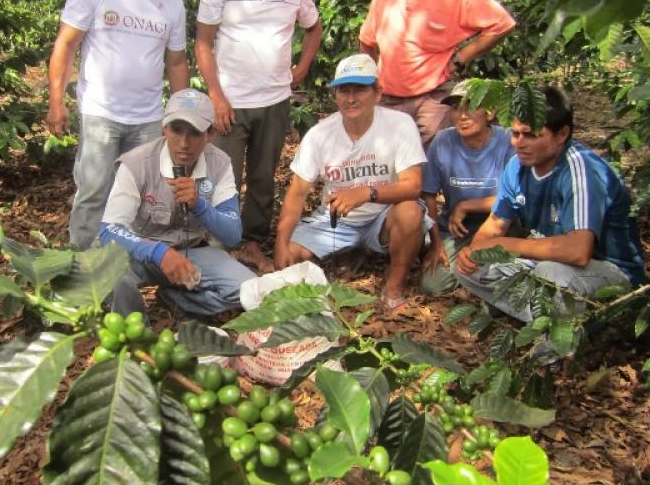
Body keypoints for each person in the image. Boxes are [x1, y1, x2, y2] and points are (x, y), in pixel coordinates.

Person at [46, 0, 189, 250]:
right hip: (101, 112)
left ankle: (125, 265)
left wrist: (180, 117)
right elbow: (66, 44)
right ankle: (82, 265)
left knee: (141, 194)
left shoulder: (171, 3)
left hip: (148, 118)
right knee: (94, 190)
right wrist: (56, 101)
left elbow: (177, 61)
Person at [455, 86, 647, 323]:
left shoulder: (580, 169)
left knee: (548, 274)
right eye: (515, 134)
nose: (519, 143)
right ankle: (551, 318)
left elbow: (578, 252)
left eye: (531, 135)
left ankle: (560, 335)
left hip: (610, 271)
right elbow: (495, 223)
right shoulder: (517, 166)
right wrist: (474, 254)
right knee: (469, 267)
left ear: (561, 134)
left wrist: (504, 245)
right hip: (548, 263)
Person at [195, 0, 322, 273]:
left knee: (264, 177)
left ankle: (251, 243)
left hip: (274, 100)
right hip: (231, 102)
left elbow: (313, 28)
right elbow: (203, 42)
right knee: (224, 176)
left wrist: (303, 66)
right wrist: (216, 96)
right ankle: (218, 247)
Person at [273, 54, 430, 311]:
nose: (351, 98)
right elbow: (297, 193)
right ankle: (351, 251)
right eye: (344, 91)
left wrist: (366, 193)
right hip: (335, 221)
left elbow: (413, 185)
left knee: (410, 211)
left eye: (360, 90)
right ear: (335, 95)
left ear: (377, 93)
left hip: (383, 216)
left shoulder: (399, 125)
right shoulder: (320, 134)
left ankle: (394, 285)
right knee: (290, 255)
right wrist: (281, 242)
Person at [99, 88, 255, 318]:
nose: (184, 143)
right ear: (164, 128)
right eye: (176, 130)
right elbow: (108, 230)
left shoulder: (219, 164)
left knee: (248, 288)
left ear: (210, 134)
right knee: (112, 275)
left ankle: (177, 299)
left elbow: (232, 235)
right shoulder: (136, 164)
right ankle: (138, 338)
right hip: (141, 253)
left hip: (190, 252)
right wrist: (158, 252)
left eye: (194, 132)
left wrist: (200, 206)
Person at [359, 0, 515, 146]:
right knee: (388, 161)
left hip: (431, 97)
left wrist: (461, 58)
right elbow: (367, 41)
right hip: (389, 97)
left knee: (428, 160)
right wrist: (371, 84)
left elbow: (501, 23)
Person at [420, 80, 514, 295]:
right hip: (458, 231)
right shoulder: (443, 142)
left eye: (471, 106)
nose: (462, 116)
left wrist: (468, 205)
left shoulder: (508, 142)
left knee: (504, 274)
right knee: (432, 285)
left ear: (490, 113)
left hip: (502, 226)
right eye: (455, 108)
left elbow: (516, 197)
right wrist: (436, 244)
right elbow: (429, 195)